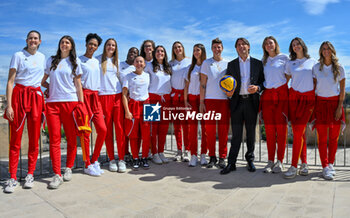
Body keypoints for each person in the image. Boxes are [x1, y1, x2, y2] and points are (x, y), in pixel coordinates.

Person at [4, 30, 45, 193]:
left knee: (35, 139)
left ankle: (30, 174)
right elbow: (10, 81)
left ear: (40, 41)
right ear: (26, 40)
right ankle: (12, 177)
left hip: (36, 97)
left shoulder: (43, 58)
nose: (33, 40)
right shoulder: (18, 55)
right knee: (16, 138)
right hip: (20, 96)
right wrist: (9, 105)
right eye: (30, 38)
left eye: (35, 38)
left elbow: (45, 77)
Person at [41, 35, 84, 189]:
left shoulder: (75, 62)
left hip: (71, 103)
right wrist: (50, 88)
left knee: (72, 138)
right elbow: (42, 81)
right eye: (62, 42)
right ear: (59, 45)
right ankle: (57, 174)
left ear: (71, 46)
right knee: (54, 139)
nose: (64, 44)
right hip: (52, 104)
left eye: (67, 42)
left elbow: (78, 86)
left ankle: (68, 168)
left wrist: (82, 105)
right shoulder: (51, 60)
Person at [221, 37, 265, 174]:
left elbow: (263, 83)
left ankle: (250, 160)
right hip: (237, 102)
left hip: (251, 102)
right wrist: (228, 92)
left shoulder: (258, 63)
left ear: (249, 46)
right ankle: (231, 163)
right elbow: (227, 84)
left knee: (251, 134)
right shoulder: (231, 64)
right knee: (236, 135)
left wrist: (257, 88)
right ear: (236, 49)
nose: (241, 47)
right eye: (238, 45)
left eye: (244, 44)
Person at [312, 41, 345, 180]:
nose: (326, 51)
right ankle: (324, 166)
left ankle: (331, 164)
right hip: (320, 104)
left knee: (333, 138)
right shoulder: (316, 68)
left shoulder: (340, 68)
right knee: (322, 138)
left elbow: (342, 90)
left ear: (332, 51)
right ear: (321, 51)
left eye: (328, 49)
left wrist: (339, 107)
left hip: (334, 104)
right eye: (323, 49)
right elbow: (313, 89)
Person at [284, 37, 316, 179]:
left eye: (298, 44)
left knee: (297, 132)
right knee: (300, 133)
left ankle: (293, 166)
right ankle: (304, 163)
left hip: (308, 100)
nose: (296, 46)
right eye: (293, 45)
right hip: (293, 100)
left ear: (303, 46)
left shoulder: (313, 62)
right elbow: (285, 81)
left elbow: (316, 82)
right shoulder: (290, 63)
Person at [78, 33, 106, 176]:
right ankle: (87, 164)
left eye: (95, 45)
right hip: (84, 96)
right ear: (86, 44)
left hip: (96, 97)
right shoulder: (78, 60)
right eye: (90, 44)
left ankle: (94, 160)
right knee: (86, 132)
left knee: (103, 129)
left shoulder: (96, 61)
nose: (92, 47)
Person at [97, 38, 126, 173]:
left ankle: (121, 159)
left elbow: (122, 79)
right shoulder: (97, 60)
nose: (111, 47)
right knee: (107, 130)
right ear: (105, 46)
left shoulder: (118, 62)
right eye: (109, 45)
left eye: (113, 45)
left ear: (116, 48)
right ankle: (111, 159)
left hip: (117, 97)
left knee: (119, 128)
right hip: (103, 97)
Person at [260, 36, 289, 173]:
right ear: (264, 47)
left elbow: (289, 74)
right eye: (266, 44)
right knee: (270, 130)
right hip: (267, 96)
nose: (268, 45)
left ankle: (280, 161)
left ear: (275, 44)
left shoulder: (284, 57)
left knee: (281, 131)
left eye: (270, 43)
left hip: (281, 96)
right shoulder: (263, 60)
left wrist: (282, 85)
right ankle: (270, 161)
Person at [199, 38, 230, 169]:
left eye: (219, 47)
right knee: (210, 131)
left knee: (223, 130)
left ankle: (223, 157)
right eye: (214, 47)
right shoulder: (206, 63)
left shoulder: (228, 63)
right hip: (210, 100)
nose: (217, 49)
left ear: (222, 48)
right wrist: (201, 102)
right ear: (211, 49)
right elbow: (203, 84)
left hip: (224, 101)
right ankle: (212, 156)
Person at [144, 45, 172, 165]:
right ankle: (154, 153)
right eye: (158, 51)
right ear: (154, 53)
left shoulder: (168, 67)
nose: (160, 53)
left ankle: (161, 151)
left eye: (162, 51)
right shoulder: (149, 66)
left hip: (166, 99)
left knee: (163, 128)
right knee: (153, 128)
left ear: (165, 53)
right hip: (153, 98)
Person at [122, 56, 151, 169]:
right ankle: (135, 158)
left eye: (141, 62)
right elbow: (124, 95)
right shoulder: (128, 76)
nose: (139, 63)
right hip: (133, 106)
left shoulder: (148, 76)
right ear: (134, 63)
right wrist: (127, 111)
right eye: (137, 61)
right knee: (133, 135)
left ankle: (144, 157)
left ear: (144, 64)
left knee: (146, 134)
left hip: (147, 105)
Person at [184, 43, 208, 167]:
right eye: (194, 50)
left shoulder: (207, 65)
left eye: (198, 50)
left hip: (203, 98)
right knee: (192, 129)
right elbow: (186, 85)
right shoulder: (190, 67)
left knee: (205, 128)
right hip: (192, 99)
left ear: (202, 52)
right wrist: (185, 100)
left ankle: (203, 154)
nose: (195, 52)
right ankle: (193, 154)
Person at [169, 41, 192, 162]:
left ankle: (187, 150)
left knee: (186, 125)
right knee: (176, 125)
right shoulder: (170, 63)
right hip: (174, 97)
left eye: (179, 47)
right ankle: (179, 151)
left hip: (185, 97)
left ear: (183, 48)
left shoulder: (189, 61)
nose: (177, 49)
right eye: (175, 48)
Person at [119, 47, 140, 163]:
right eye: (131, 51)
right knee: (123, 129)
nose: (133, 54)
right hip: (122, 98)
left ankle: (136, 153)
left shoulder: (137, 67)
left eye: (135, 53)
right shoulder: (120, 64)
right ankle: (125, 153)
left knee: (134, 129)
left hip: (134, 100)